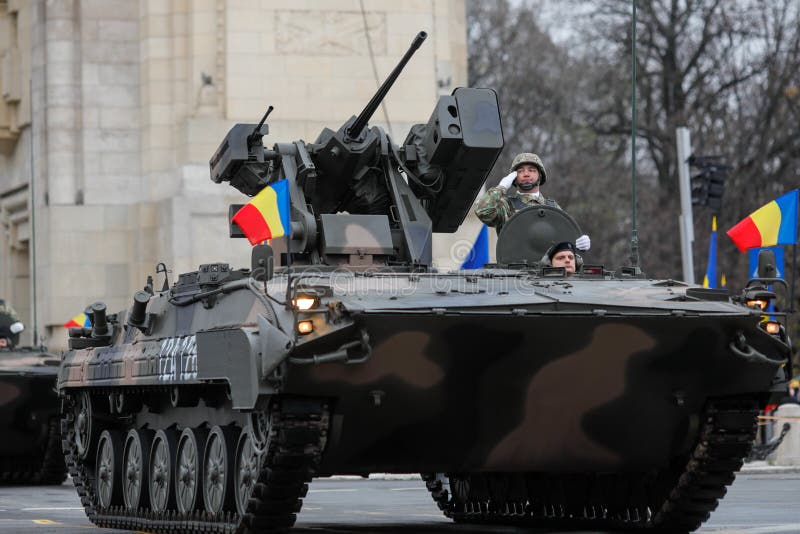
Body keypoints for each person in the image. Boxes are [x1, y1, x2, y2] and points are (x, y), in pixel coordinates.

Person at [474, 152, 591, 251]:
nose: (526, 174)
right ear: (514, 177)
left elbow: (563, 239)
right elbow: (482, 211)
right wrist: (501, 188)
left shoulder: (551, 207)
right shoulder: (505, 205)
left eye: (532, 170)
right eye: (520, 171)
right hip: (513, 269)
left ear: (540, 176)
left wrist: (578, 243)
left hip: (548, 271)